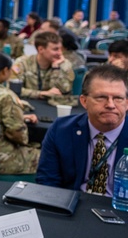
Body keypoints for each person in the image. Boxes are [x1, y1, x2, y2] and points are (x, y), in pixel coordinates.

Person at [36, 65, 128, 193]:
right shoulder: (62, 130)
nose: (111, 105)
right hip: (72, 205)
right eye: (101, 97)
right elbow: (47, 181)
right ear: (84, 101)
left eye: (118, 98)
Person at [11, 31, 75, 107]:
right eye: (55, 49)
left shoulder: (64, 64)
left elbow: (63, 92)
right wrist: (40, 94)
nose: (60, 53)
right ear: (41, 49)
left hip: (52, 107)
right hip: (27, 105)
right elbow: (14, 90)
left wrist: (56, 69)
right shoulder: (22, 63)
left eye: (60, 49)